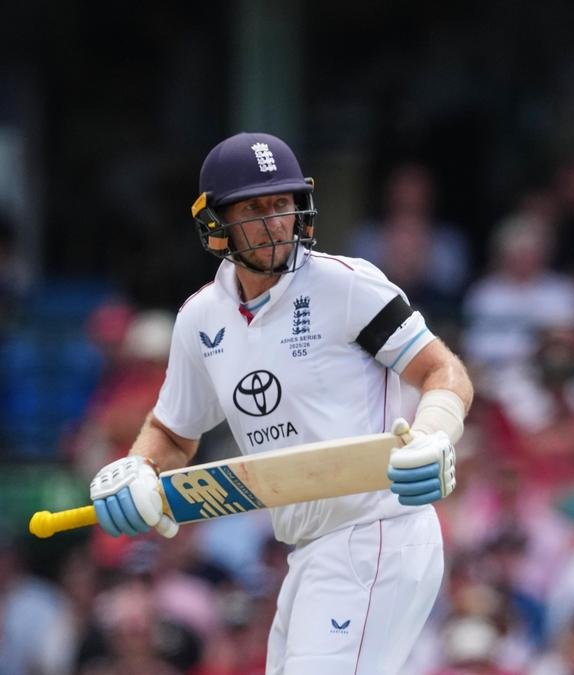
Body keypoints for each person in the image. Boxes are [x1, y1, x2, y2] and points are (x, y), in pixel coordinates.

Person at [85, 132, 474, 674]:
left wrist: (434, 432)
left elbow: (444, 371)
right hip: (306, 550)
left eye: (282, 204)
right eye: (254, 208)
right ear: (216, 221)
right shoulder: (201, 319)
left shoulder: (348, 286)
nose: (273, 221)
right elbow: (174, 433)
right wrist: (138, 466)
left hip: (378, 531)